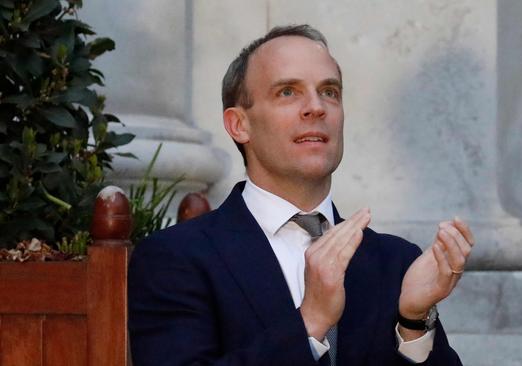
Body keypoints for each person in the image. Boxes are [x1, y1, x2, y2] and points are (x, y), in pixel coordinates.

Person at [128, 24, 475, 366]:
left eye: (329, 92)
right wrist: (309, 323)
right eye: (288, 92)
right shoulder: (175, 259)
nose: (316, 107)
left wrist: (414, 324)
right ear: (239, 125)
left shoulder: (396, 262)